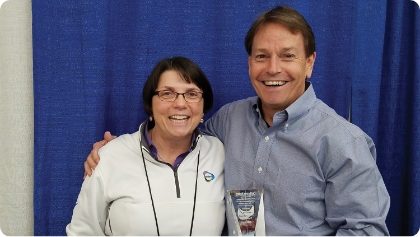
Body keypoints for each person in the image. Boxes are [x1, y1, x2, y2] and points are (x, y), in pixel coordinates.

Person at [84, 6, 390, 236]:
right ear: (249, 63)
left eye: (287, 56)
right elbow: (179, 129)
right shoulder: (229, 120)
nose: (273, 68)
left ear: (309, 63)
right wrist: (117, 152)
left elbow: (366, 231)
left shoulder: (343, 142)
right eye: (261, 56)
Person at [67, 57, 226, 235]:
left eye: (192, 94)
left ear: (204, 107)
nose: (180, 104)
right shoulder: (110, 156)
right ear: (150, 106)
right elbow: (82, 232)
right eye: (167, 93)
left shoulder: (220, 153)